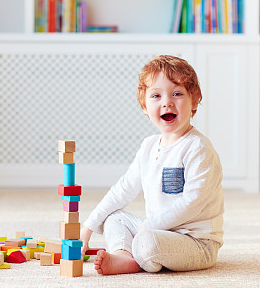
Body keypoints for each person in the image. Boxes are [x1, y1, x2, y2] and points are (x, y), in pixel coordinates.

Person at [80, 55, 224, 275]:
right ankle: (123, 255)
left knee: (146, 241)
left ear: (194, 100)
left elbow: (192, 203)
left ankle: (136, 258)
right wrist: (87, 228)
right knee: (115, 217)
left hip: (196, 243)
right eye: (156, 96)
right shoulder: (148, 146)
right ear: (144, 106)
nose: (166, 102)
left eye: (177, 94)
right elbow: (123, 189)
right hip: (158, 230)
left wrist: (148, 227)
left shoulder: (198, 147)